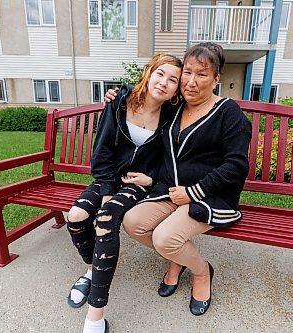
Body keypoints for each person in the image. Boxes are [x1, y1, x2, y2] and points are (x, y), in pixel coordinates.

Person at [109, 42, 251, 316]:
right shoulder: (175, 110)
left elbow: (236, 166)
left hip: (210, 195)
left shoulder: (228, 113)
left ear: (216, 79)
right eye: (187, 73)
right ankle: (178, 259)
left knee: (164, 238)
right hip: (172, 192)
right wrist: (117, 95)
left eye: (202, 74)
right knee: (133, 222)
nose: (191, 82)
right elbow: (145, 101)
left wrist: (194, 191)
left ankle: (201, 272)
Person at [66, 53, 182, 333]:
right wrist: (106, 189)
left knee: (106, 219)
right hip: (110, 177)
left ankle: (95, 317)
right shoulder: (119, 101)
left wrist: (151, 179)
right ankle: (92, 269)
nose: (164, 83)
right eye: (160, 74)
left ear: (177, 89)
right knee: (76, 216)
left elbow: (169, 161)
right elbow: (102, 150)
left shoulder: (172, 117)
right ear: (148, 73)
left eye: (173, 80)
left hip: (137, 184)